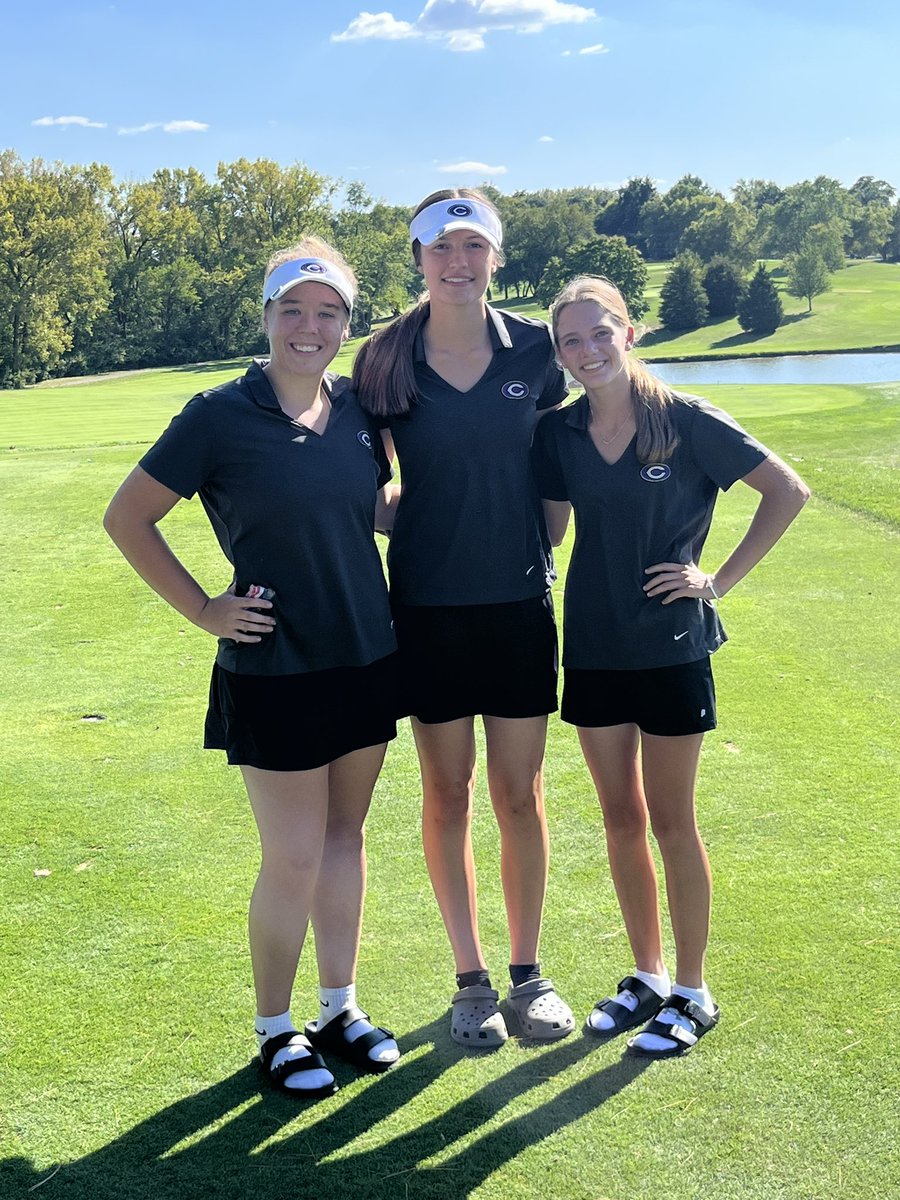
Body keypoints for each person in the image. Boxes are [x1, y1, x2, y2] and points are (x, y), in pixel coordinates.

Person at [103, 236, 401, 1098]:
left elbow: (365, 509)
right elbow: (129, 518)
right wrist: (205, 609)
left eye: (328, 312)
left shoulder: (358, 411)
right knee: (296, 855)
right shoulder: (217, 414)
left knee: (347, 840)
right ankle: (277, 1029)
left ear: (347, 323)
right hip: (275, 667)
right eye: (293, 310)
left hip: (368, 655)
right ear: (267, 317)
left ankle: (339, 1008)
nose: (310, 327)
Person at [533, 275, 810, 1056]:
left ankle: (693, 990)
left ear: (630, 333)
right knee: (622, 818)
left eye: (600, 333)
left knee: (673, 821)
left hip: (671, 649)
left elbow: (786, 491)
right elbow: (549, 535)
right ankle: (648, 975)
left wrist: (715, 580)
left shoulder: (682, 419)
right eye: (571, 341)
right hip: (591, 647)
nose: (587, 351)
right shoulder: (557, 434)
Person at [352, 190, 574, 1046]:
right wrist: (423, 518)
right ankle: (470, 980)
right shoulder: (384, 358)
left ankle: (528, 974)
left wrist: (528, 537)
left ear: (496, 258)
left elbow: (558, 468)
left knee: (520, 795)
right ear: (417, 259)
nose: (459, 261)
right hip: (427, 610)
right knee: (447, 793)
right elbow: (361, 483)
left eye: (474, 246)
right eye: (442, 246)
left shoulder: (538, 349)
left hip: (520, 605)